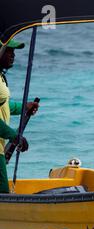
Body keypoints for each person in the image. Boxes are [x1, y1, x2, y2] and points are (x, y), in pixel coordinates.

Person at [0, 40, 40, 193]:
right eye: (9, 51)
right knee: (3, 191)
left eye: (13, 51)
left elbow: (3, 105)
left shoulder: (1, 77)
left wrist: (24, 107)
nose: (13, 55)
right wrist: (14, 136)